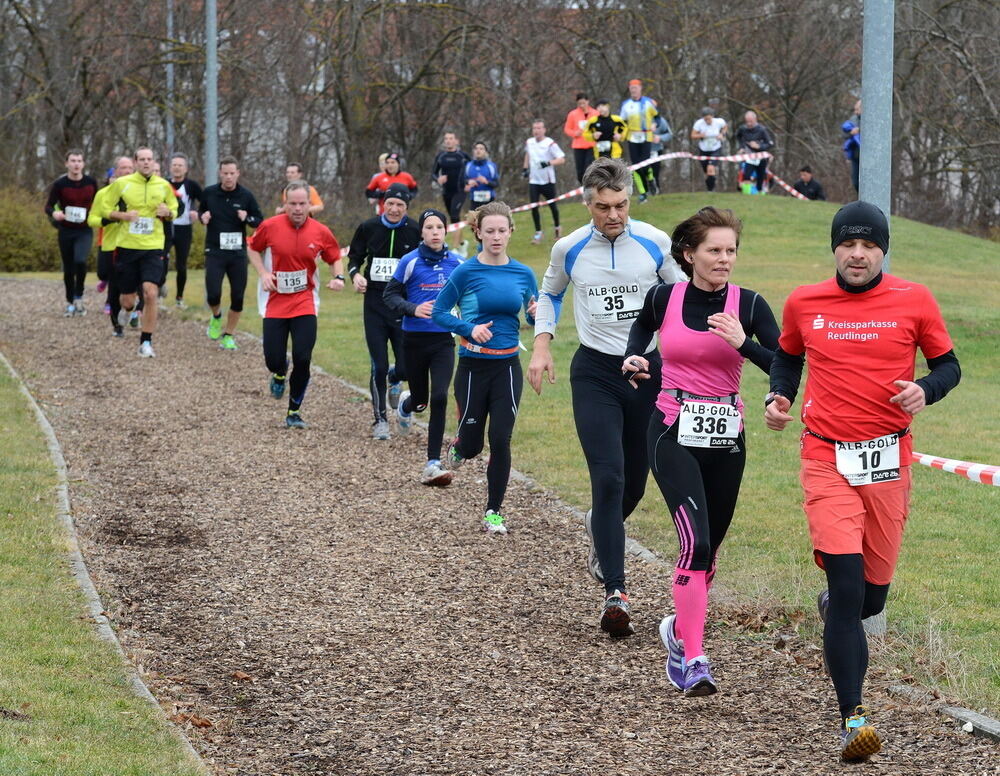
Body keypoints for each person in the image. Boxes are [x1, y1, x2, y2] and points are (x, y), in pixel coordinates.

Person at [764, 201, 960, 761]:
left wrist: (928, 389)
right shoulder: (805, 301)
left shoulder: (914, 299)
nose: (857, 254)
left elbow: (950, 365)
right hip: (825, 457)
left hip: (887, 461)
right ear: (834, 248)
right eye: (848, 244)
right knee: (850, 590)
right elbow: (786, 359)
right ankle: (854, 718)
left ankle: (838, 607)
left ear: (882, 250)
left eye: (869, 245)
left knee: (870, 599)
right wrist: (777, 397)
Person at [621, 207, 779, 695]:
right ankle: (694, 658)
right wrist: (634, 359)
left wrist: (743, 344)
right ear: (689, 254)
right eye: (714, 250)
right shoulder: (663, 297)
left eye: (731, 250)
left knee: (710, 553)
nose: (724, 259)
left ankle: (676, 630)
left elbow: (785, 364)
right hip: (673, 428)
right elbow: (641, 332)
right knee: (697, 544)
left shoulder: (749, 306)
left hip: (727, 436)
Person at [528, 157, 685, 637]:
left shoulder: (656, 242)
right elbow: (549, 294)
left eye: (619, 205)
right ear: (586, 203)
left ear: (629, 201)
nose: (612, 215)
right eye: (602, 207)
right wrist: (541, 344)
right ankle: (616, 591)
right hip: (596, 372)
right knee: (610, 477)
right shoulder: (568, 248)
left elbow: (682, 300)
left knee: (636, 484)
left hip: (648, 372)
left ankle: (601, 531)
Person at [432, 201, 537, 535]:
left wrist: (535, 314)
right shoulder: (465, 271)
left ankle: (494, 511)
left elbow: (535, 316)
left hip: (507, 366)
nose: (495, 237)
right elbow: (439, 311)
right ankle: (461, 446)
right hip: (473, 367)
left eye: (501, 231)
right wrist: (468, 329)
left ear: (510, 232)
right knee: (475, 444)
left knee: (501, 438)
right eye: (489, 230)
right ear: (477, 232)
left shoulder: (523, 273)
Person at [248, 180, 344, 429]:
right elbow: (252, 248)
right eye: (293, 204)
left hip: (305, 301)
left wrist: (338, 277)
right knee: (273, 359)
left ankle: (294, 410)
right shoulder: (269, 226)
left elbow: (335, 257)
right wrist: (263, 274)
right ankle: (279, 372)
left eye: (303, 204)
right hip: (275, 302)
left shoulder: (321, 231)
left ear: (310, 205)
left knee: (303, 357)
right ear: (285, 204)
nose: (298, 209)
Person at [383, 208, 462, 485]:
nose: (435, 232)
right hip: (414, 340)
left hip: (443, 341)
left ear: (446, 230)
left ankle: (433, 463)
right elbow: (389, 294)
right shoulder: (410, 261)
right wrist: (413, 309)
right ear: (422, 232)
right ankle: (406, 405)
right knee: (421, 401)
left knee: (439, 396)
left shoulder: (457, 262)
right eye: (429, 227)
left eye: (439, 226)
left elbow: (469, 295)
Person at [347, 183, 421, 439]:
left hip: (402, 306)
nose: (394, 208)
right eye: (390, 203)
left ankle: (395, 377)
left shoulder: (415, 230)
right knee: (377, 365)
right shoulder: (368, 228)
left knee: (405, 368)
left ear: (406, 208)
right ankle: (379, 419)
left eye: (400, 205)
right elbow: (354, 257)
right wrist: (356, 275)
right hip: (375, 305)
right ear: (383, 204)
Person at [98, 147, 178, 358]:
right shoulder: (122, 184)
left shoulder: (163, 185)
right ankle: (127, 311)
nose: (146, 163)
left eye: (149, 159)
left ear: (154, 162)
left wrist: (168, 212)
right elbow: (104, 209)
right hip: (127, 247)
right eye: (142, 159)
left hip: (153, 247)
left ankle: (146, 342)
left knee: (151, 292)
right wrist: (122, 216)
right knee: (127, 299)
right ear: (135, 162)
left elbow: (174, 207)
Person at [199, 156, 265, 351]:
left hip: (237, 253)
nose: (228, 177)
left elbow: (259, 222)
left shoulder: (246, 196)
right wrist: (203, 217)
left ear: (238, 174)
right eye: (225, 173)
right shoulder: (210, 193)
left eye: (232, 173)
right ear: (220, 173)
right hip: (215, 251)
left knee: (237, 296)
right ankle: (217, 316)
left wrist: (248, 217)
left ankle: (228, 335)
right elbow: (201, 213)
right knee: (213, 294)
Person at [45, 149, 99, 316]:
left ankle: (79, 296)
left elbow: (99, 203)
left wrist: (96, 215)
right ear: (67, 164)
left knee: (80, 261)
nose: (76, 164)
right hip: (66, 230)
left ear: (83, 164)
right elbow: (48, 206)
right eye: (73, 161)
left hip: (84, 230)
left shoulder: (91, 182)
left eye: (79, 161)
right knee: (68, 268)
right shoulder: (60, 184)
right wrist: (55, 214)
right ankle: (70, 302)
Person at [89, 155, 134, 335]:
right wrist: (106, 220)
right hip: (112, 246)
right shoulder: (103, 194)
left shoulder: (140, 192)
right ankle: (117, 325)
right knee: (115, 287)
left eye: (130, 168)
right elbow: (91, 219)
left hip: (135, 245)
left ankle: (132, 309)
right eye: (123, 168)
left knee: (136, 284)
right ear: (116, 171)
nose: (127, 171)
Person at [165, 153, 203, 308]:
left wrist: (198, 213)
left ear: (186, 169)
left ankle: (179, 298)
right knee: (160, 260)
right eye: (174, 165)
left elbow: (206, 202)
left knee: (181, 265)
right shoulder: (163, 184)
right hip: (166, 227)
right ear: (170, 167)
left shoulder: (192, 186)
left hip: (184, 228)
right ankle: (159, 289)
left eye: (180, 165)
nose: (177, 168)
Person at [523, 119, 565, 245]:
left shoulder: (550, 143)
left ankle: (557, 229)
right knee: (534, 207)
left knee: (552, 206)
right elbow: (527, 155)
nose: (536, 131)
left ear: (544, 130)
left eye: (539, 128)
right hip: (534, 180)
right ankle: (538, 233)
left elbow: (562, 159)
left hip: (547, 180)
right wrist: (525, 168)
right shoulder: (529, 142)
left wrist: (548, 163)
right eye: (534, 128)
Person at [619, 79, 659, 200]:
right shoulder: (626, 104)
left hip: (646, 136)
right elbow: (622, 122)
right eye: (631, 88)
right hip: (632, 137)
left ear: (640, 88)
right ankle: (643, 192)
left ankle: (651, 179)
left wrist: (654, 125)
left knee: (645, 164)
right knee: (635, 166)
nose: (633, 90)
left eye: (635, 88)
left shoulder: (648, 102)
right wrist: (620, 134)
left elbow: (657, 117)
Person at [431, 131, 471, 249]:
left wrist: (469, 183)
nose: (448, 141)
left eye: (451, 138)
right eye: (446, 139)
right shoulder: (441, 156)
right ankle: (463, 243)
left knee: (454, 214)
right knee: (454, 218)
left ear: (456, 141)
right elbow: (433, 173)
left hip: (460, 190)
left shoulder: (463, 156)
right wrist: (438, 178)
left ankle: (454, 248)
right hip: (446, 191)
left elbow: (472, 170)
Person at [735, 111, 775, 194]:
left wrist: (759, 146)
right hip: (749, 156)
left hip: (761, 157)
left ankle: (760, 194)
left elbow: (770, 143)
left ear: (755, 119)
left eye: (751, 121)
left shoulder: (762, 129)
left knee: (760, 177)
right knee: (746, 175)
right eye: (747, 121)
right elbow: (738, 137)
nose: (749, 124)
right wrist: (742, 147)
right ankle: (746, 195)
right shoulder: (743, 128)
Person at [563, 92, 598, 183]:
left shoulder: (595, 113)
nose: (582, 105)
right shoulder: (573, 114)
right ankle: (584, 189)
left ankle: (591, 188)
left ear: (588, 101)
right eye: (579, 104)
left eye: (583, 103)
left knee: (589, 168)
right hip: (578, 146)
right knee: (580, 172)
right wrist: (575, 133)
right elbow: (567, 129)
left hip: (591, 145)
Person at [691, 106, 728, 192]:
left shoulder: (719, 121)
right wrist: (700, 135)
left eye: (709, 119)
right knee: (706, 172)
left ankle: (711, 190)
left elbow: (725, 126)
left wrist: (722, 134)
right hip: (703, 149)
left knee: (710, 168)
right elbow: (692, 135)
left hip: (715, 148)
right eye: (705, 119)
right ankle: (709, 189)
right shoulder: (698, 124)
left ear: (712, 116)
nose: (707, 121)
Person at [648, 109, 673, 195]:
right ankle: (645, 191)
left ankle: (656, 190)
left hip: (656, 150)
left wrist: (660, 137)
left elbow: (669, 134)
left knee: (655, 171)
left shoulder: (661, 121)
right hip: (641, 149)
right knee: (643, 171)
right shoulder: (639, 120)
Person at [842, 99, 862, 194]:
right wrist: (851, 132)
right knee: (856, 182)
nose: (855, 112)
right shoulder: (853, 119)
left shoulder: (872, 120)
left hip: (867, 157)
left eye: (857, 109)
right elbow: (844, 134)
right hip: (855, 157)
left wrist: (860, 130)